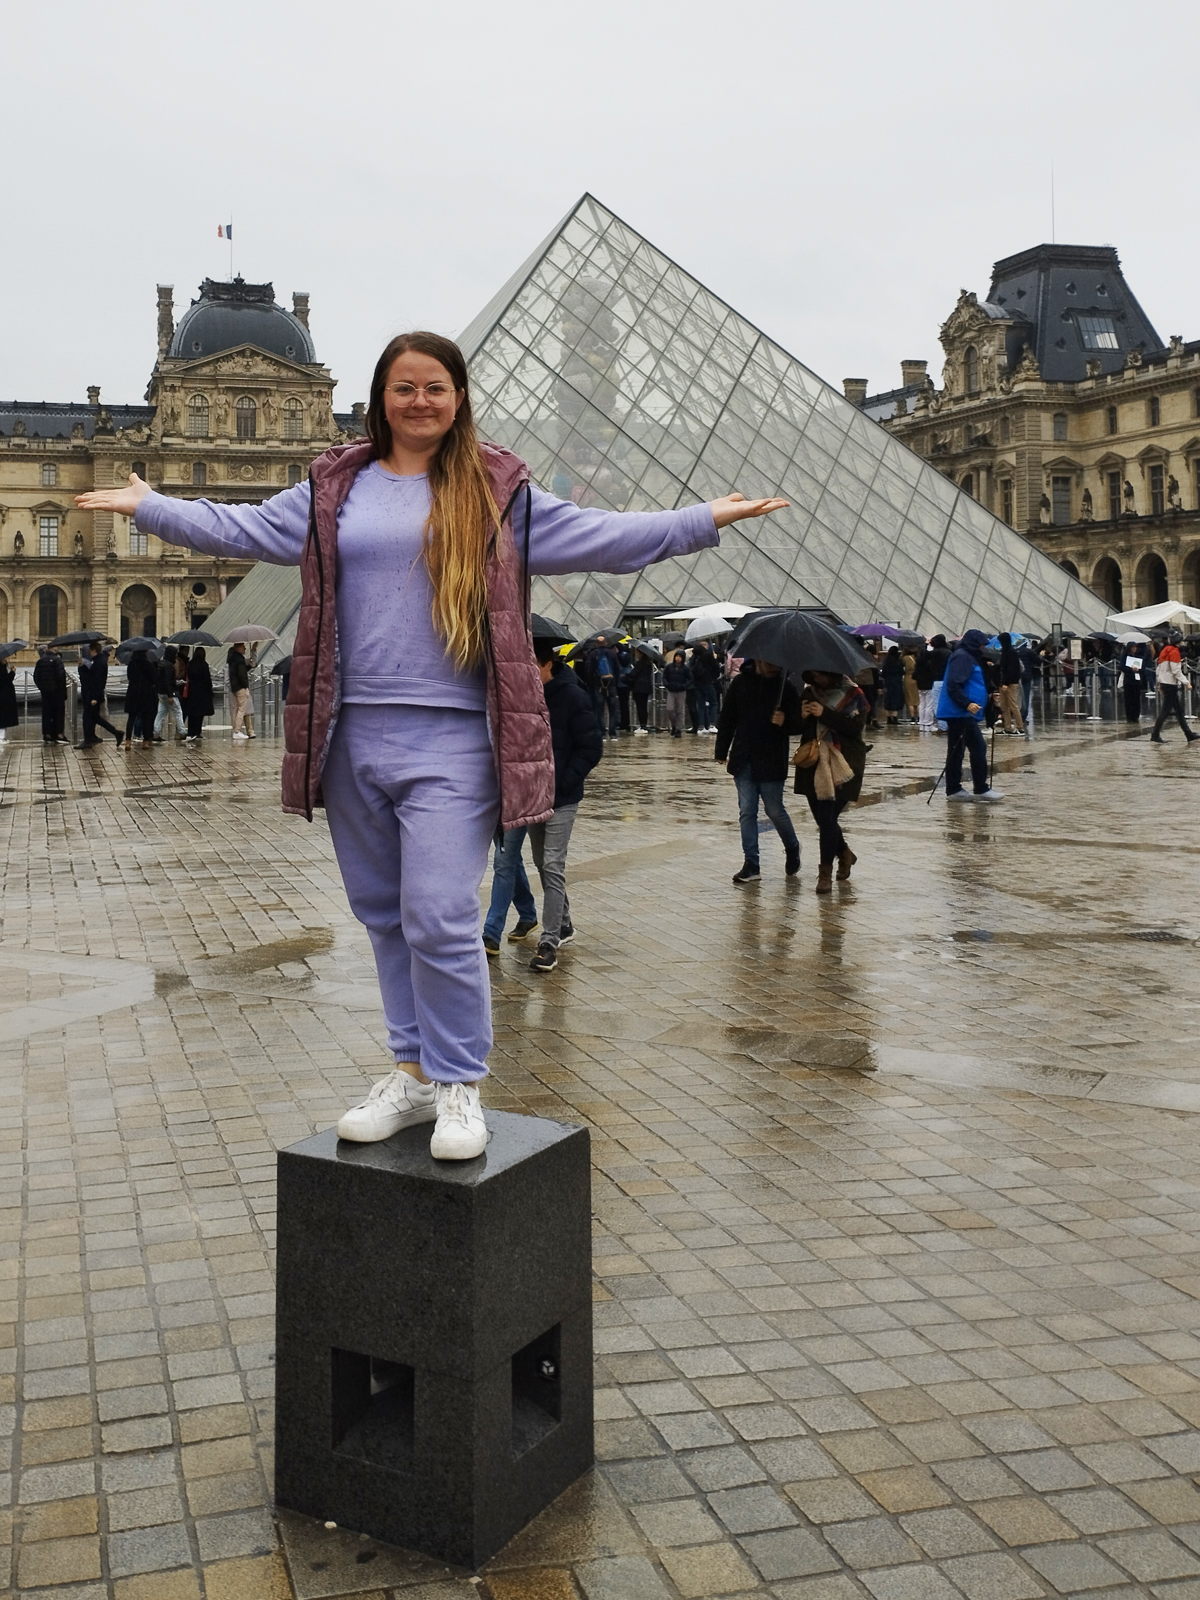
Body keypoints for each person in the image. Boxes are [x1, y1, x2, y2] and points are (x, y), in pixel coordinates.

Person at [79, 329, 786, 1162]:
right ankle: (411, 1071)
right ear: (381, 398)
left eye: (435, 387)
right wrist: (149, 505)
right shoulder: (334, 486)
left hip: (454, 736)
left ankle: (458, 1082)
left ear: (458, 398)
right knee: (382, 913)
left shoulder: (495, 492)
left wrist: (702, 520)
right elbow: (240, 528)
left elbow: (603, 536)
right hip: (350, 731)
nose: (420, 401)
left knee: (440, 912)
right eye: (404, 387)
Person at [528, 639, 604, 972]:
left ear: (548, 664)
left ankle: (548, 942)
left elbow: (592, 747)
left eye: (533, 666)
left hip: (563, 796)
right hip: (535, 793)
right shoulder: (526, 697)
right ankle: (565, 922)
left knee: (552, 863)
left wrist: (566, 780)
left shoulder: (573, 696)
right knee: (541, 863)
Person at [714, 658, 803, 883]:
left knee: (774, 810)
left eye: (778, 663)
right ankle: (751, 864)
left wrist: (785, 721)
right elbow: (728, 717)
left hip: (772, 759)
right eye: (770, 662)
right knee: (747, 811)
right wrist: (721, 749)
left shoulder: (786, 687)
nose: (775, 666)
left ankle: (792, 847)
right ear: (759, 659)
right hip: (744, 757)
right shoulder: (741, 683)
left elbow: (799, 723)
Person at [793, 670, 869, 892]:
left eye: (820, 675)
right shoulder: (809, 693)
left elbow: (854, 728)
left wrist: (824, 713)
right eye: (813, 676)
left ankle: (824, 873)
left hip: (844, 763)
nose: (817, 680)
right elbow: (797, 729)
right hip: (813, 762)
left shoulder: (854, 695)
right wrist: (802, 716)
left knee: (827, 817)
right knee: (822, 818)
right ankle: (844, 852)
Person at [937, 629, 1003, 801]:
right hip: (960, 712)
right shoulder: (963, 657)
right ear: (974, 644)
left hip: (961, 712)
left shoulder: (968, 656)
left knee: (957, 750)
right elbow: (954, 685)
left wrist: (988, 697)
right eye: (981, 645)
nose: (983, 648)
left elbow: (972, 683)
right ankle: (979, 788)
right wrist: (966, 703)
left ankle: (954, 789)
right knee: (977, 747)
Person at [481, 828, 540, 957]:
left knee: (503, 863)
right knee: (510, 858)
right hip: (494, 814)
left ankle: (492, 932)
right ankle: (528, 914)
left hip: (514, 815)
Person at [1150, 636, 1200, 745]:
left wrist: (1159, 683)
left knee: (1178, 711)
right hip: (1170, 684)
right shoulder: (1174, 652)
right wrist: (1186, 682)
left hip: (1165, 682)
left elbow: (1160, 668)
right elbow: (1176, 671)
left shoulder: (1165, 650)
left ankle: (1188, 733)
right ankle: (1155, 734)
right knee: (1166, 711)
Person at [76, 643, 122, 748]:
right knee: (94, 717)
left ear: (93, 650)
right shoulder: (99, 661)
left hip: (92, 694)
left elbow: (95, 681)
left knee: (88, 717)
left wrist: (94, 698)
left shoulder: (98, 663)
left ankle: (89, 739)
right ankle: (96, 736)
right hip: (94, 694)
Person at [123, 647, 158, 749]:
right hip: (145, 693)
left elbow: (129, 677)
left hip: (133, 693)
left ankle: (128, 741)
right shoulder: (148, 664)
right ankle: (145, 741)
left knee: (131, 718)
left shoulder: (131, 664)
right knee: (146, 717)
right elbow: (154, 680)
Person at [33, 648, 68, 744]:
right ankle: (59, 734)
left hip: (45, 691)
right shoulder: (58, 660)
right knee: (58, 713)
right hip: (57, 691)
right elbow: (61, 676)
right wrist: (62, 691)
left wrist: (42, 687)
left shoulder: (40, 661)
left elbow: (36, 676)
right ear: (55, 650)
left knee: (46, 712)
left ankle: (47, 734)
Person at [154, 645, 186, 741]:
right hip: (169, 693)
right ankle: (182, 731)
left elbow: (161, 680)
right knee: (178, 711)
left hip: (161, 693)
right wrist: (170, 695)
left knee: (161, 713)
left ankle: (156, 732)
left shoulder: (161, 664)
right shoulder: (169, 666)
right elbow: (168, 681)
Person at [997, 634, 1025, 736]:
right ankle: (1007, 727)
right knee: (1004, 706)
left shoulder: (1010, 653)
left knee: (1013, 705)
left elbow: (1011, 669)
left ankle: (1020, 727)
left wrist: (1005, 682)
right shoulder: (1006, 652)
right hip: (1005, 683)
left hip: (1010, 683)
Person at [690, 642, 721, 733]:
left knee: (700, 704)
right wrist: (713, 677)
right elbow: (716, 668)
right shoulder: (708, 655)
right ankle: (712, 725)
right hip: (707, 682)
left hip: (697, 683)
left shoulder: (694, 657)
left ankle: (701, 726)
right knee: (713, 703)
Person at [185, 647, 214, 741]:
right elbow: (207, 679)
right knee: (200, 713)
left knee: (192, 713)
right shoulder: (204, 665)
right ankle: (197, 732)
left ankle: (191, 731)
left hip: (192, 691)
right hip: (202, 692)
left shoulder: (190, 664)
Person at [663, 650, 692, 737]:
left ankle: (678, 729)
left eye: (680, 657)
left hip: (681, 691)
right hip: (671, 690)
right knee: (669, 709)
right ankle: (674, 725)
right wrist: (667, 684)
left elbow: (690, 679)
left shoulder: (686, 668)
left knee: (680, 710)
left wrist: (684, 686)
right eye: (677, 656)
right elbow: (664, 676)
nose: (678, 658)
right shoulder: (669, 667)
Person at [926, 634, 950, 733]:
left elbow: (928, 664)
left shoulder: (934, 653)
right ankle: (949, 725)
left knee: (937, 704)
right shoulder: (949, 652)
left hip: (937, 680)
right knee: (947, 703)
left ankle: (942, 726)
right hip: (947, 680)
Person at [1122, 641, 1150, 725]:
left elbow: (1143, 668)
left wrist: (1139, 669)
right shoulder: (1125, 657)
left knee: (1136, 699)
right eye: (1133, 647)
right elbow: (1122, 667)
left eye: (1135, 647)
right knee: (1128, 699)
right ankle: (1129, 716)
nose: (1134, 649)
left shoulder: (1139, 656)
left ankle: (1135, 716)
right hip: (1128, 680)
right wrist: (1130, 669)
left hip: (1137, 680)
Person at [227, 643, 251, 740]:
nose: (245, 648)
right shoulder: (240, 659)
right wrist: (245, 686)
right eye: (243, 646)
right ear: (238, 648)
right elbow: (242, 674)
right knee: (242, 709)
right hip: (240, 687)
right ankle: (237, 731)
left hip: (234, 686)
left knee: (235, 710)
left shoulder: (232, 658)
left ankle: (235, 730)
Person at [629, 648, 654, 734]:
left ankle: (642, 725)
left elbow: (633, 674)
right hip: (646, 688)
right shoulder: (648, 663)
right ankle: (644, 724)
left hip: (639, 688)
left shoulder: (639, 664)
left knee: (640, 707)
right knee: (644, 707)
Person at [880, 645, 905, 726]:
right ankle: (894, 717)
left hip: (888, 682)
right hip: (897, 682)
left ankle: (888, 718)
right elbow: (902, 672)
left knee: (888, 698)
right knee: (896, 698)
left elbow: (883, 673)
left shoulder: (886, 661)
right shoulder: (898, 661)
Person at [0, 658, 17, 744]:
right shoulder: (1, 669)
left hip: (3, 695)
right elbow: (7, 679)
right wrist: (13, 671)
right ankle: (1, 737)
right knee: (3, 716)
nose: (6, 660)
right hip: (4, 695)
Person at [902, 649, 919, 724]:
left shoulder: (905, 658)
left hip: (908, 678)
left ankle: (912, 718)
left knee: (910, 699)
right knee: (917, 700)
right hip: (917, 678)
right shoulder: (918, 658)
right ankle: (919, 717)